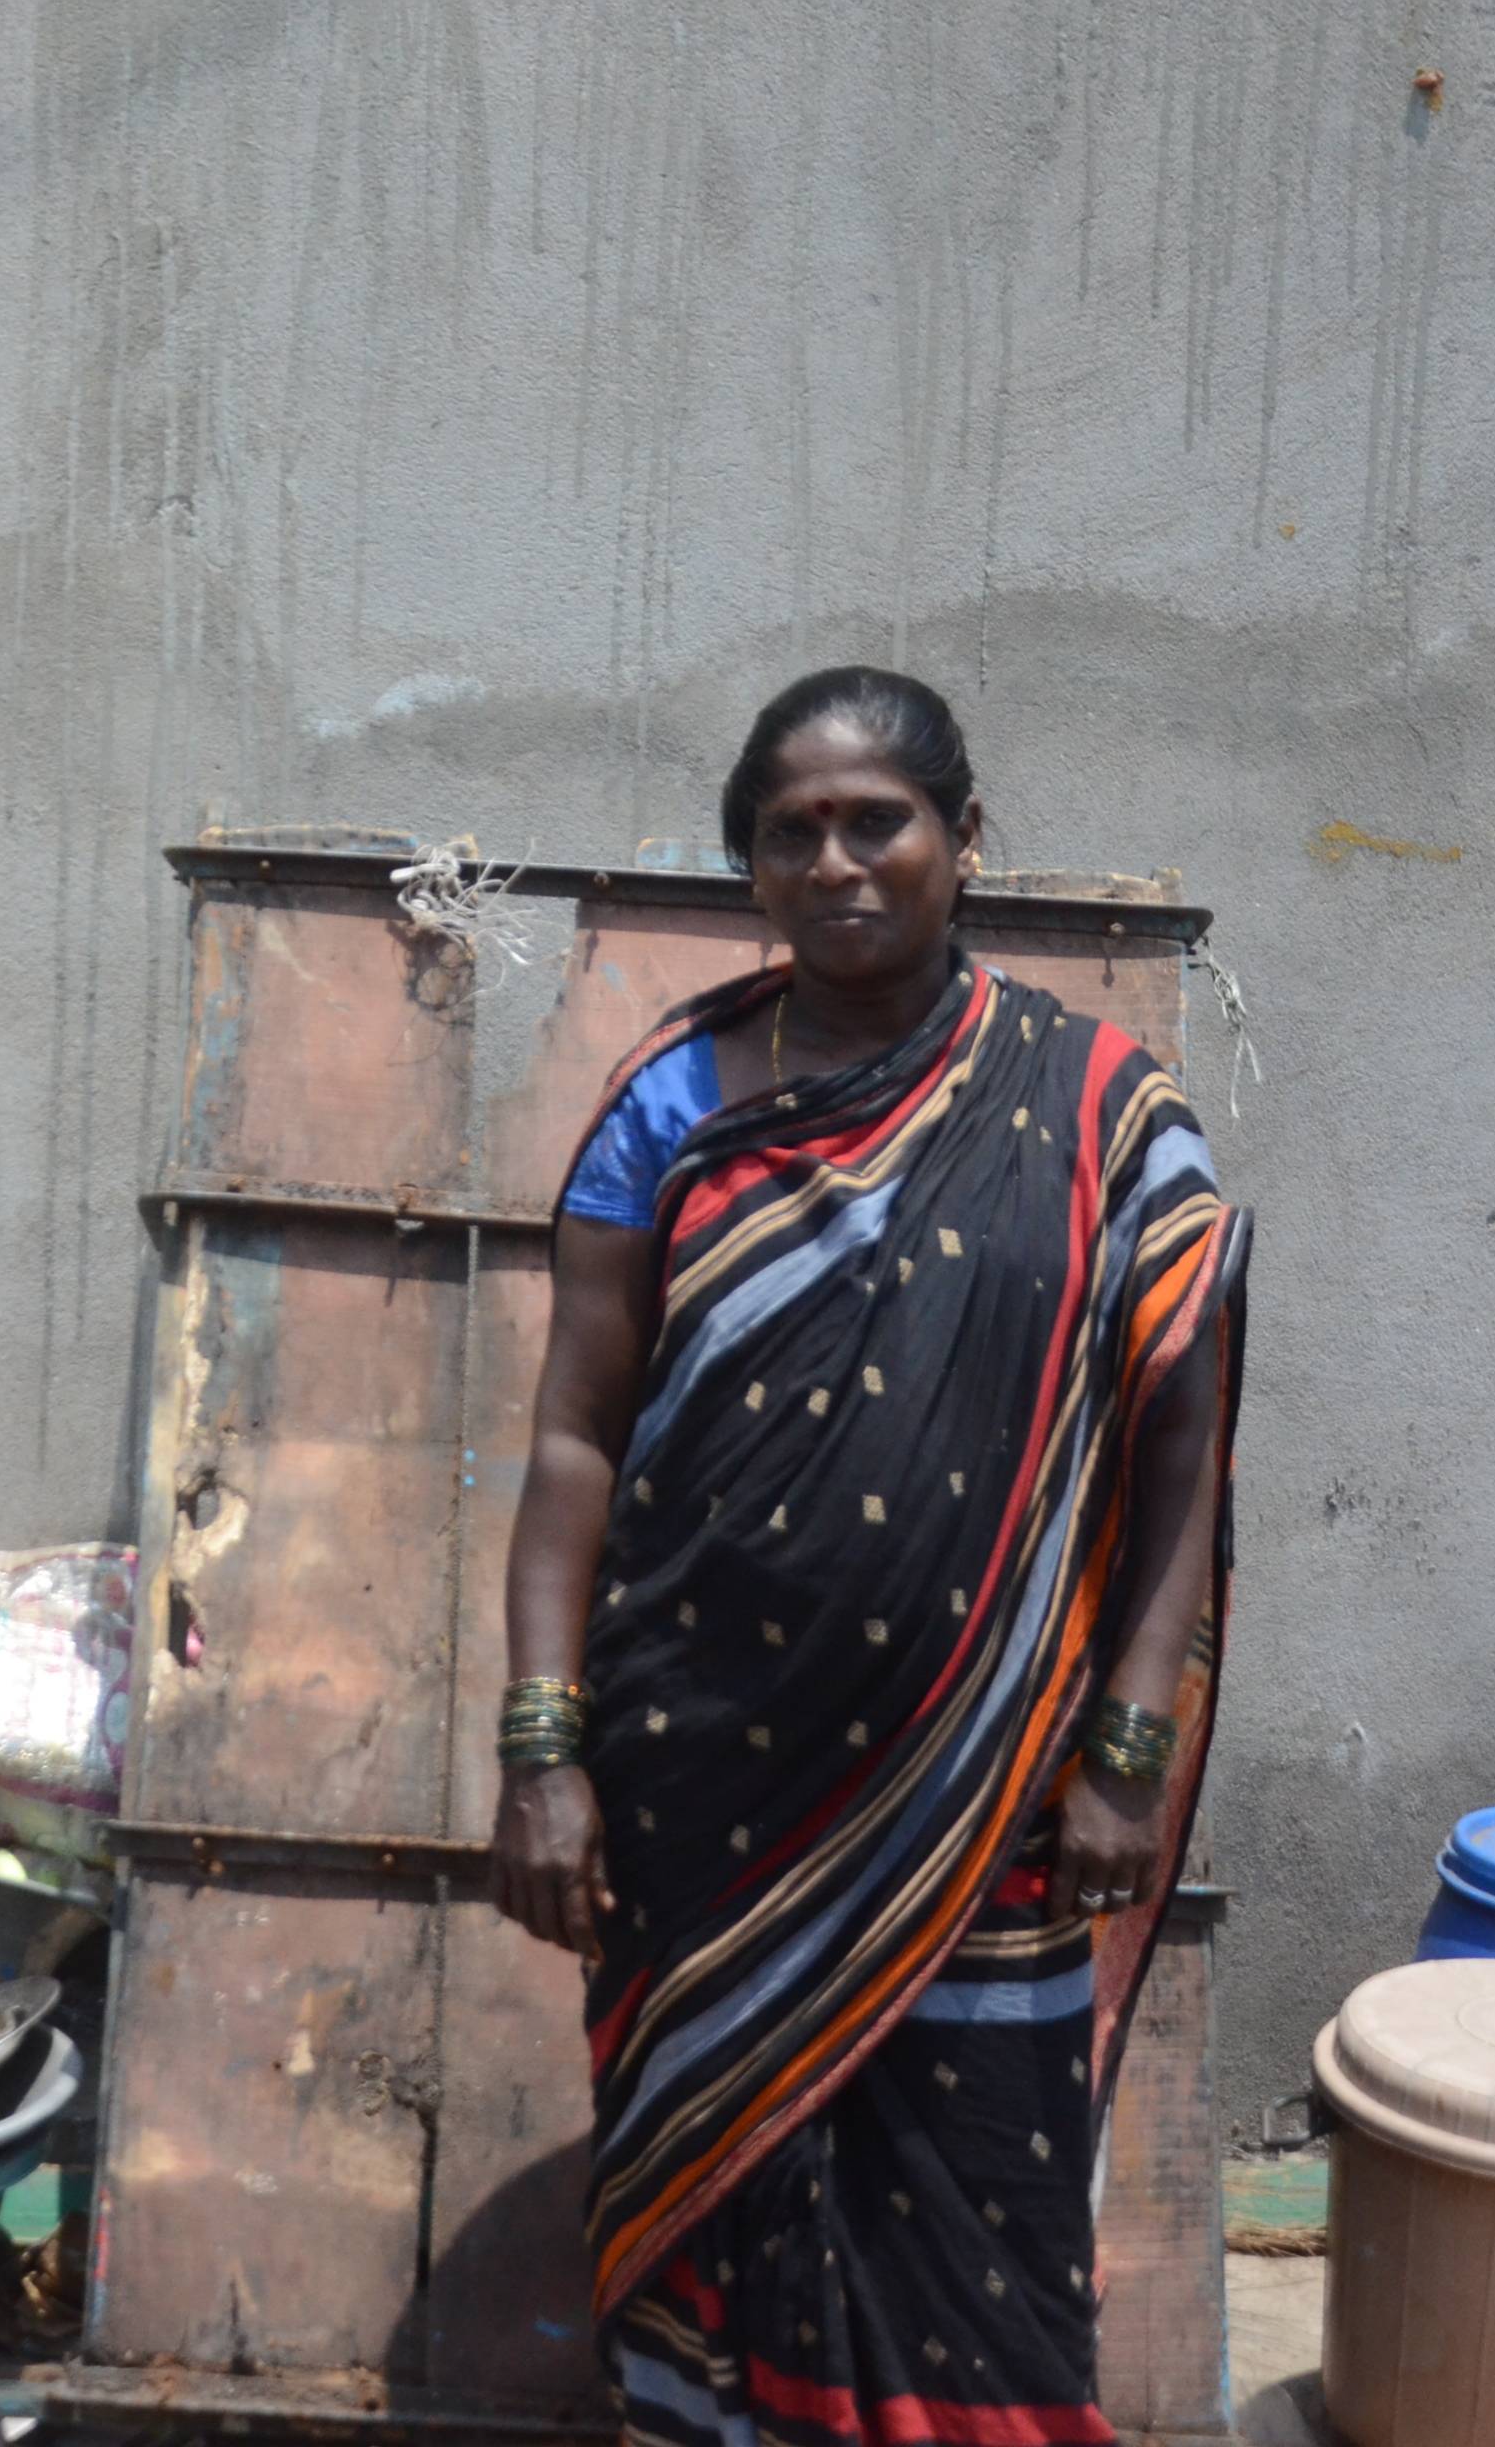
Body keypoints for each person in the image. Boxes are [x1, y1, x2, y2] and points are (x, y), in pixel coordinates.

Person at [488, 668, 1248, 2447]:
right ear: (750, 863)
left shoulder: (1106, 1117)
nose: (834, 864)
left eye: (875, 822)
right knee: (717, 2199)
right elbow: (574, 1439)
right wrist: (542, 1752)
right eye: (791, 832)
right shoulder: (668, 1105)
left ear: (963, 838)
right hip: (702, 1788)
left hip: (994, 1796)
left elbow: (1180, 1453)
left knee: (985, 2222)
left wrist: (1130, 1749)